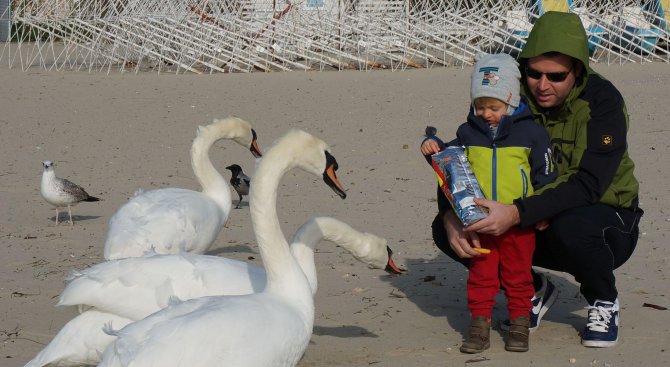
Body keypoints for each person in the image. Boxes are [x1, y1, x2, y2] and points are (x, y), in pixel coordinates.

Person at [429, 11, 643, 348]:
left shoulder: (604, 102)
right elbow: (468, 156)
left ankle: (603, 299)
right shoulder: (510, 95)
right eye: (534, 73)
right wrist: (450, 214)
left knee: (571, 226)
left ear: (578, 71)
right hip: (529, 216)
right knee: (450, 231)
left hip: (605, 219)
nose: (543, 86)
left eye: (557, 76)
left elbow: (590, 183)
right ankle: (531, 288)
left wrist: (516, 213)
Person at [421, 52, 556, 353]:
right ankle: (479, 324)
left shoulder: (532, 132)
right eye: (479, 106)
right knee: (481, 275)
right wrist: (435, 147)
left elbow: (546, 172)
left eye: (493, 107)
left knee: (518, 276)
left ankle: (520, 323)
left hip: (519, 221)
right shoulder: (467, 133)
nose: (486, 113)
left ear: (510, 101)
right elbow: (451, 163)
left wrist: (543, 209)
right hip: (478, 220)